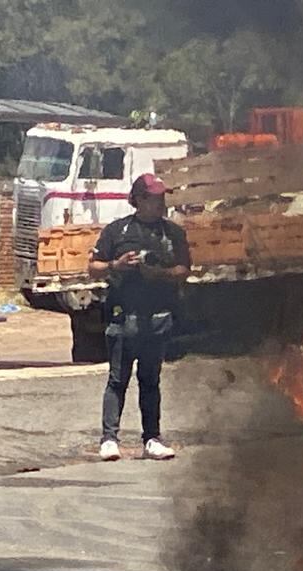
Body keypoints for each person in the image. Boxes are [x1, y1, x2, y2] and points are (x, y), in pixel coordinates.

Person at [87, 173, 191, 461]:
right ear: (138, 200)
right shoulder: (116, 232)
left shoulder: (172, 234)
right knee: (117, 379)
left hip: (157, 317)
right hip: (123, 317)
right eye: (154, 198)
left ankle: (152, 438)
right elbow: (93, 268)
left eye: (162, 197)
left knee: (151, 380)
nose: (160, 203)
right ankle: (109, 439)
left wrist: (158, 273)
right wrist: (116, 265)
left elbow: (184, 269)